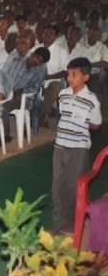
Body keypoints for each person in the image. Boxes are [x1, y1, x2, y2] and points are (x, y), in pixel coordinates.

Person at [51, 58, 102, 234]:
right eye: (68, 74)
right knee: (58, 184)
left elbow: (96, 124)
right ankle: (59, 222)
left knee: (74, 185)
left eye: (74, 74)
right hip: (60, 145)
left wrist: (83, 121)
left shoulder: (91, 100)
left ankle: (74, 222)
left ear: (86, 77)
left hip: (78, 147)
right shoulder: (63, 94)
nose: (69, 78)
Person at [0, 44, 50, 134]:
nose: (36, 61)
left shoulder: (41, 69)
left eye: (40, 61)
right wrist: (9, 93)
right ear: (33, 54)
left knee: (3, 106)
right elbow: (4, 79)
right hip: (6, 92)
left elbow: (36, 88)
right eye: (36, 57)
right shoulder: (16, 62)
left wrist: (21, 91)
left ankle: (4, 133)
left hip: (23, 99)